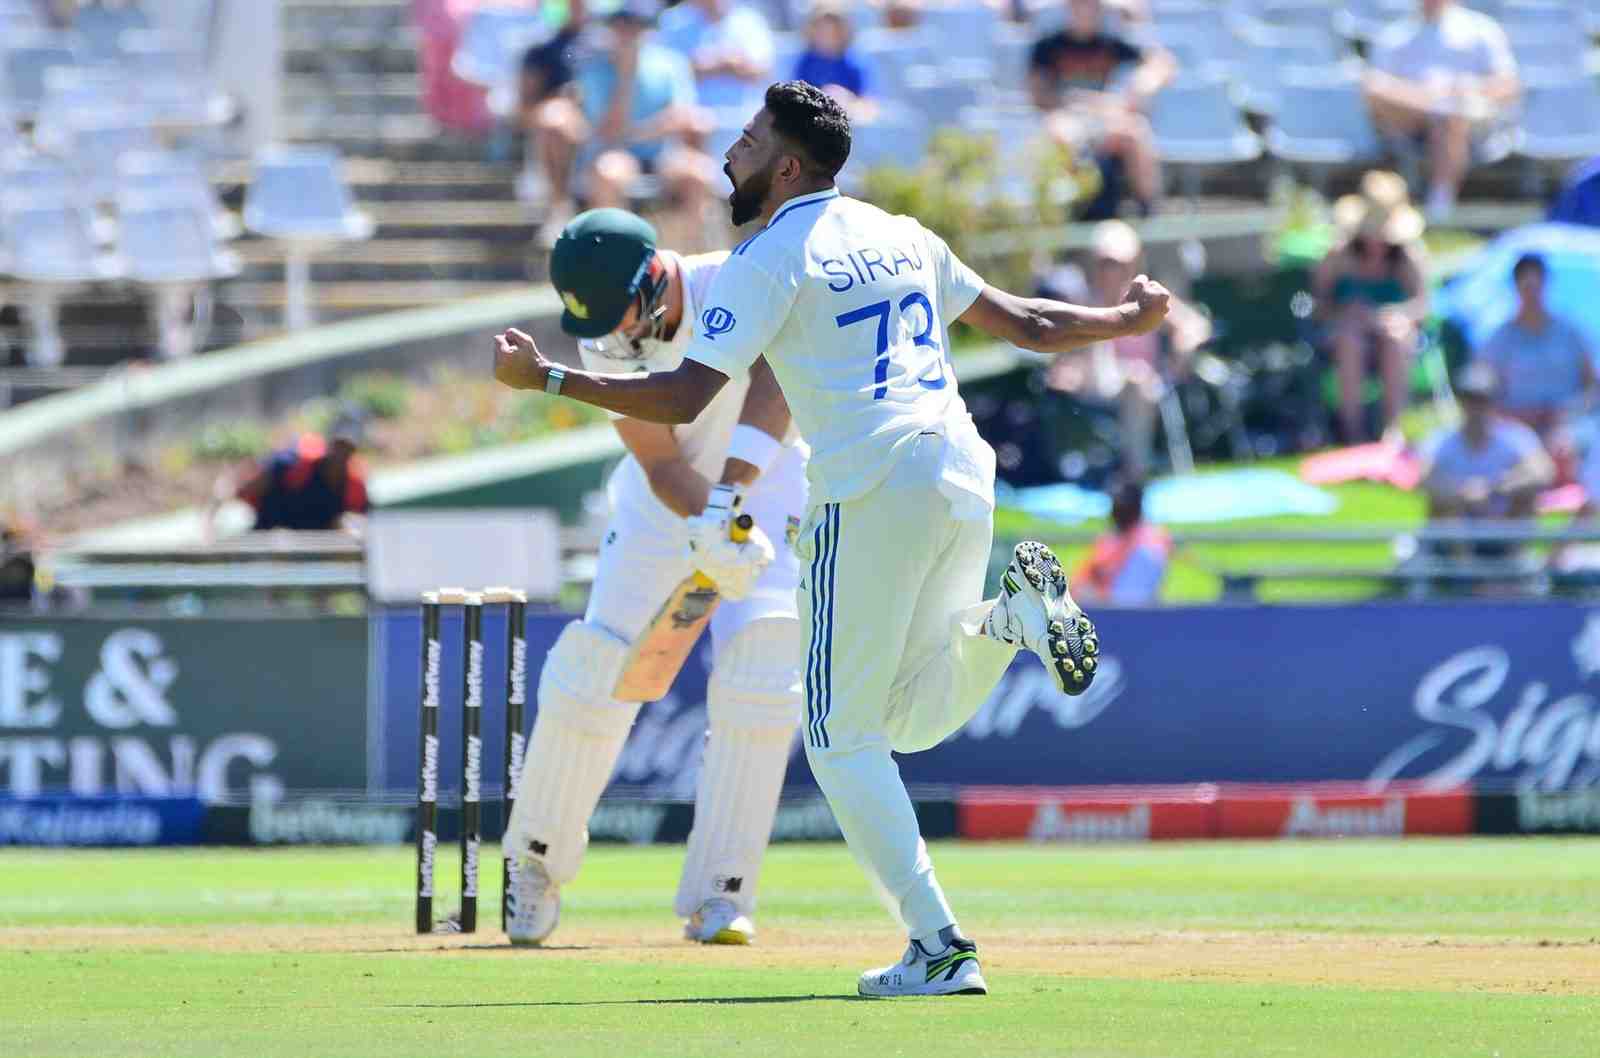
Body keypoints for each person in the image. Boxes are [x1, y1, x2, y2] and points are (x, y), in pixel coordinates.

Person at [494, 80, 1172, 995]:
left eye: (744, 140)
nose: (727, 153)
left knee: (811, 714)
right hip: (939, 471)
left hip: (841, 484)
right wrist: (1127, 323)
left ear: (783, 165)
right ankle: (1009, 623)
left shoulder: (754, 264)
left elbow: (722, 386)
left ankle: (837, 921)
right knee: (884, 714)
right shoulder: (895, 232)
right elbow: (1033, 323)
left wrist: (558, 388)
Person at [501, 208, 808, 947]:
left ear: (656, 275)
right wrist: (712, 517)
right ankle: (535, 864)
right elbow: (664, 462)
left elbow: (783, 382)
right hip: (663, 503)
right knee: (593, 667)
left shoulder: (737, 285)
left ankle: (722, 896)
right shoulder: (605, 336)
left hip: (768, 483)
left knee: (763, 673)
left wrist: (737, 512)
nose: (609, 341)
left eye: (620, 316)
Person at [527, 0, 716, 246]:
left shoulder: (670, 64)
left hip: (661, 156)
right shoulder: (593, 69)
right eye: (621, 24)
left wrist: (637, 133)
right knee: (608, 174)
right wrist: (626, 76)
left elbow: (681, 117)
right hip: (615, 154)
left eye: (635, 25)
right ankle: (616, 260)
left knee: (698, 174)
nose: (627, 32)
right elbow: (609, 133)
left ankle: (688, 261)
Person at [1043, 219, 1211, 477]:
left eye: (1119, 264)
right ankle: (1132, 474)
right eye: (1106, 264)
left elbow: (1195, 325)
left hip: (1145, 385)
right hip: (1096, 386)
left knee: (1137, 383)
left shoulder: (1147, 302)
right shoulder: (1084, 302)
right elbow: (1063, 359)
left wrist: (1180, 355)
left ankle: (1135, 474)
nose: (1112, 272)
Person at [1364, 0, 1520, 222]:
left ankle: (1439, 207)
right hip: (1407, 120)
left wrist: (1465, 90)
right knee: (1438, 109)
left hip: (1470, 119)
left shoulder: (1482, 29)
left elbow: (1508, 85)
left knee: (1450, 114)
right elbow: (1375, 88)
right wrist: (1429, 99)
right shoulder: (1395, 35)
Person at [1310, 171, 1429, 444]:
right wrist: (1346, 313)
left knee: (1397, 338)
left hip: (1392, 338)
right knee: (1349, 340)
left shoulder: (1408, 257)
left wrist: (1398, 315)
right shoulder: (1338, 256)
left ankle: (1392, 429)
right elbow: (1317, 306)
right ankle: (1353, 431)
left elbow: (1422, 305)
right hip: (1345, 335)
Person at [1028, 0, 1175, 218]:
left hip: (1105, 118)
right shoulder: (1048, 46)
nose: (1085, 10)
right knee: (1062, 134)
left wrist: (1143, 82)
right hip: (1067, 117)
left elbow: (1163, 63)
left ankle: (1149, 213)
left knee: (1136, 132)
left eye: (1091, 5)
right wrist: (1073, 101)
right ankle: (1068, 212)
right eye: (1079, 5)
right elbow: (1038, 95)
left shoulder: (1111, 43)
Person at [1420, 362, 1553, 545]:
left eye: (1482, 399)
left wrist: (1493, 489)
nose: (1476, 407)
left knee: (1524, 497)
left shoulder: (1516, 436)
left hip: (1503, 519)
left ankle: (1509, 560)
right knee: (1443, 506)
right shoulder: (1441, 440)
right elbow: (1425, 478)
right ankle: (1462, 569)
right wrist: (1463, 493)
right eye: (1470, 399)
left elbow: (1543, 472)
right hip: (1459, 523)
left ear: (1494, 401)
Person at [1474, 253, 1596, 447]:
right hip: (1516, 427)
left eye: (1537, 286)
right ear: (1516, 288)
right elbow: (1481, 392)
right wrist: (1515, 417)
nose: (1533, 294)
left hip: (1569, 424)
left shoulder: (1571, 332)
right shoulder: (1498, 339)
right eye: (1527, 287)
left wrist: (1571, 412)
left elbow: (1592, 385)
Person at [208, 408, 371, 536]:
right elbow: (237, 488)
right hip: (270, 538)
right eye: (338, 445)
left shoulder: (354, 487)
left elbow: (361, 523)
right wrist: (213, 517)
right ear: (330, 442)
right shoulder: (295, 464)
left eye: (348, 448)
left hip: (315, 551)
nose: (341, 454)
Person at [514, 0, 590, 205]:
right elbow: (524, 108)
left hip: (604, 126)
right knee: (554, 122)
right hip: (556, 128)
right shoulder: (540, 50)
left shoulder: (608, 45)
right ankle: (559, 203)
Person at [658, 0, 775, 114]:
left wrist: (724, 62)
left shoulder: (750, 20)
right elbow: (664, 74)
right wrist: (699, 66)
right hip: (693, 123)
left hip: (743, 119)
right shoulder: (673, 20)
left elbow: (761, 71)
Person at [1071, 478, 1170, 605]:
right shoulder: (1111, 538)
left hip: (1119, 617)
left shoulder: (1148, 548)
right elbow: (1080, 581)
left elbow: (1128, 602)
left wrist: (1089, 594)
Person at [793, 2, 870, 108]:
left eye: (833, 31)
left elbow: (866, 101)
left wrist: (845, 100)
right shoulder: (805, 62)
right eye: (821, 30)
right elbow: (796, 97)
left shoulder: (854, 63)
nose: (827, 35)